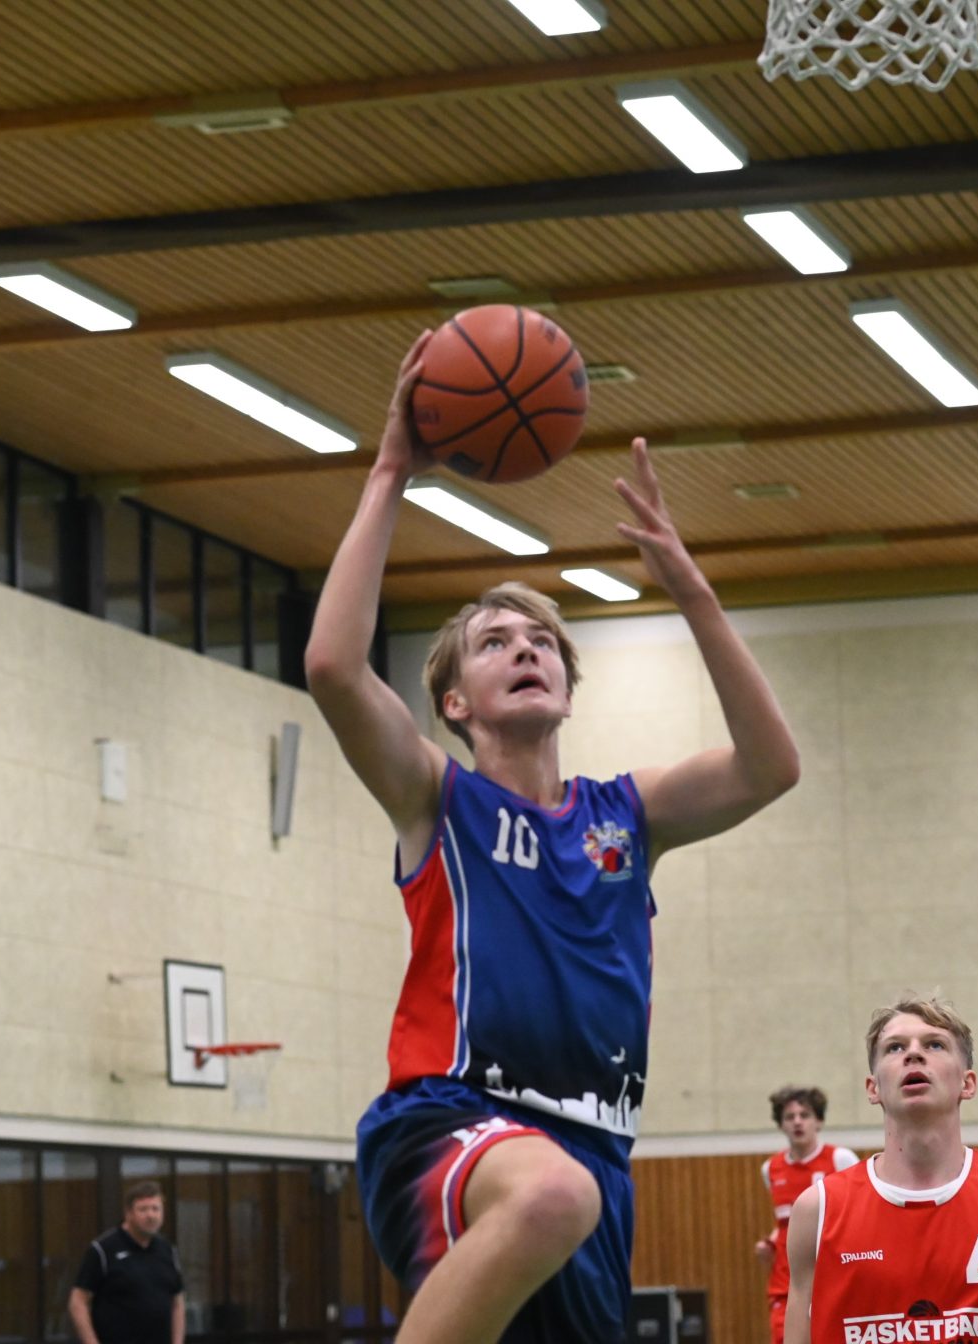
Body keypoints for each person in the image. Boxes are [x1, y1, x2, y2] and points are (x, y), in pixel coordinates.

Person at [305, 330, 801, 1344]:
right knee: (550, 1194)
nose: (525, 649)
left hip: (598, 1151)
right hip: (451, 1121)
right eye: (494, 643)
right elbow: (331, 669)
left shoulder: (627, 814)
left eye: (542, 643)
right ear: (454, 701)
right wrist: (392, 470)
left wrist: (691, 588)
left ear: (568, 690)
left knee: (566, 1195)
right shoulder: (437, 798)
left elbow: (770, 766)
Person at [783, 995, 978, 1344]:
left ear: (967, 1083)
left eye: (934, 1044)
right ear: (873, 1088)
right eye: (895, 1048)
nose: (913, 1054)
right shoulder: (816, 1211)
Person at [755, 1086, 858, 1344]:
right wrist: (770, 1242)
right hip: (785, 1281)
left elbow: (859, 1216)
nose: (797, 1122)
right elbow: (785, 1224)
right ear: (781, 1124)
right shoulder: (771, 1169)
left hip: (832, 1276)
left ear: (818, 1121)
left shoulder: (840, 1159)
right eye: (790, 1117)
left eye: (805, 1115)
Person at [68, 1181, 185, 1344]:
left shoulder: (167, 1249)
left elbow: (177, 1302)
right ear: (128, 1213)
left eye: (155, 1209)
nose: (150, 1215)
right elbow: (78, 1301)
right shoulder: (103, 1249)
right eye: (143, 1209)